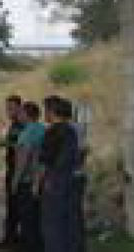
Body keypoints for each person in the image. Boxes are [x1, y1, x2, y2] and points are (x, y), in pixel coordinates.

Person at [39, 97, 85, 252]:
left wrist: (42, 182)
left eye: (46, 110)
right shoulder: (75, 130)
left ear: (52, 112)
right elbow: (81, 153)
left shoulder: (52, 132)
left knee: (53, 226)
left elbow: (45, 161)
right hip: (75, 179)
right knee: (72, 224)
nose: (45, 114)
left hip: (56, 180)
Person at [10, 101, 46, 252]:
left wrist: (15, 180)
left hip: (27, 180)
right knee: (38, 219)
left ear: (27, 114)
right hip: (42, 179)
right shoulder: (43, 129)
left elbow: (23, 158)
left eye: (21, 113)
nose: (18, 115)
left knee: (27, 219)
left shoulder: (27, 132)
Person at [0, 96, 26, 250]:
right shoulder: (15, 123)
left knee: (16, 206)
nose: (8, 111)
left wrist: (8, 143)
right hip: (12, 167)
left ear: (19, 107)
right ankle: (11, 238)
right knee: (13, 206)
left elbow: (24, 145)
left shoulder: (22, 124)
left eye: (12, 107)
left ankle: (14, 240)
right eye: (7, 107)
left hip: (18, 170)